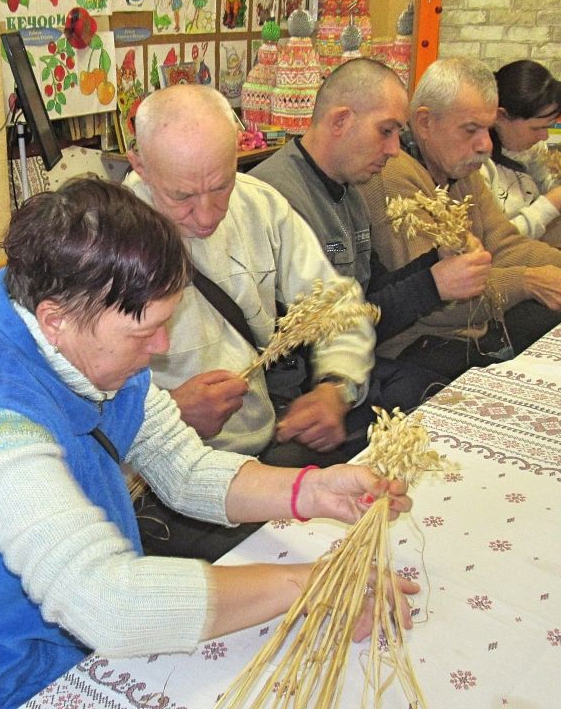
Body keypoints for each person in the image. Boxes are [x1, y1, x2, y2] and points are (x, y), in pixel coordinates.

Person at [0, 178, 415, 709]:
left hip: (59, 649)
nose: (160, 346)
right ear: (55, 319)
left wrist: (314, 491)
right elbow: (106, 604)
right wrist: (307, 585)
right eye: (143, 332)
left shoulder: (85, 348)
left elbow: (184, 469)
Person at [125, 85, 381, 554]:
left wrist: (336, 387)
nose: (207, 215)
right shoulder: (103, 241)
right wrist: (169, 413)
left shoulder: (259, 206)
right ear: (139, 165)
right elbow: (78, 400)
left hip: (263, 448)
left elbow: (338, 305)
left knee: (363, 519)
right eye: (182, 196)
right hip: (157, 483)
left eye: (221, 185)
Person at [358, 57, 561, 380]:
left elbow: (504, 245)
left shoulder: (458, 168)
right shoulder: (393, 177)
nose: (486, 145)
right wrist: (528, 282)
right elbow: (433, 304)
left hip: (471, 332)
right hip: (416, 349)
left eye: (488, 129)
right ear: (424, 123)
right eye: (470, 130)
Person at [251, 58, 489, 394]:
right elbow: (320, 335)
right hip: (307, 389)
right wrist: (433, 286)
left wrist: (436, 261)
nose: (394, 150)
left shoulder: (351, 191)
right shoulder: (275, 199)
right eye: (386, 131)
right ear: (341, 120)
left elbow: (371, 291)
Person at [481, 59, 561, 239]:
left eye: (549, 127)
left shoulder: (531, 148)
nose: (544, 137)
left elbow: (545, 181)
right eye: (536, 128)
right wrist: (553, 203)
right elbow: (492, 242)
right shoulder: (476, 166)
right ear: (501, 116)